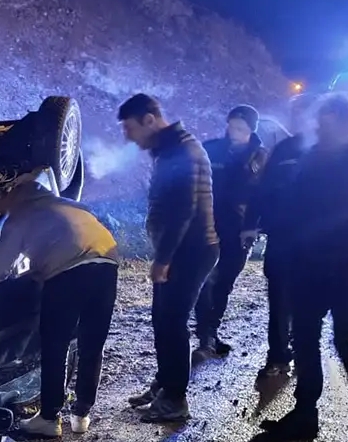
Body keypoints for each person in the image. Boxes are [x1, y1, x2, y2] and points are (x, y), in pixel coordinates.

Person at [256, 94, 348, 441]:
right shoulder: (312, 156)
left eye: (326, 119)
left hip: (345, 269)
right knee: (305, 339)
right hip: (307, 267)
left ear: (344, 119)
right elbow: (294, 207)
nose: (318, 125)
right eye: (319, 119)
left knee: (341, 339)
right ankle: (305, 413)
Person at [0, 171, 120, 437]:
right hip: (107, 265)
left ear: (16, 196)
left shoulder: (21, 216)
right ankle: (81, 414)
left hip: (68, 273)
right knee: (92, 342)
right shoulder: (70, 206)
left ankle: (49, 418)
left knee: (55, 344)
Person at [117, 94, 219, 423]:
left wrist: (163, 259)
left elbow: (182, 212)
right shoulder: (169, 150)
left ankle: (175, 399)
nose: (127, 136)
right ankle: (165, 384)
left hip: (190, 252)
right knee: (162, 320)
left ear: (150, 119)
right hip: (181, 251)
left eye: (130, 127)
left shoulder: (182, 151)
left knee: (172, 322)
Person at [242, 93, 316, 382]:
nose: (299, 118)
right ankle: (278, 356)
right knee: (279, 300)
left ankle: (306, 350)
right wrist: (250, 224)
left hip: (317, 243)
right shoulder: (284, 149)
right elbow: (262, 189)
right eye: (295, 113)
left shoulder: (331, 151)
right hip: (282, 240)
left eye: (304, 112)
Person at [193, 105, 268, 359]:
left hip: (239, 230)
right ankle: (205, 335)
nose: (233, 131)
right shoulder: (210, 149)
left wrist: (253, 227)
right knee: (206, 279)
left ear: (251, 129)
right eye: (231, 125)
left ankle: (212, 330)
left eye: (240, 127)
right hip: (207, 225)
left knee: (225, 282)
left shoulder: (261, 157)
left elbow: (263, 195)